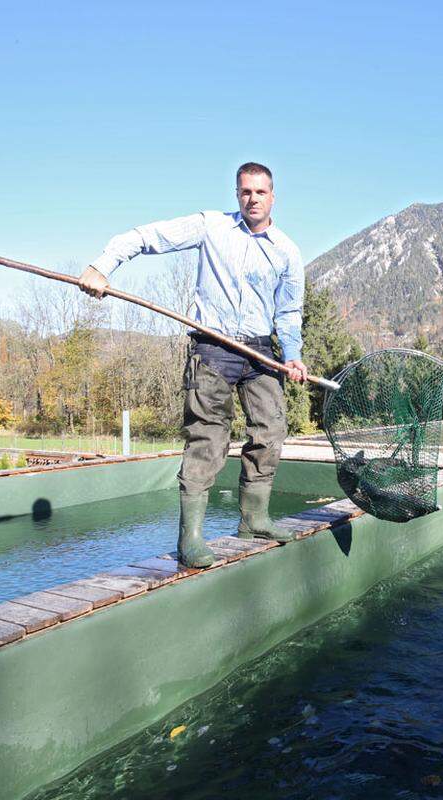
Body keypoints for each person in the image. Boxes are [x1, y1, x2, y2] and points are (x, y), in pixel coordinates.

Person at [78, 162, 308, 567]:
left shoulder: (287, 251)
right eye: (245, 192)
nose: (252, 199)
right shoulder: (211, 227)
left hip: (260, 352)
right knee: (207, 439)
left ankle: (254, 519)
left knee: (270, 432)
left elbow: (289, 312)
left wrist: (291, 354)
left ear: (273, 196)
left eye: (260, 192)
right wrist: (103, 265)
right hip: (213, 346)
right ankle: (191, 540)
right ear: (237, 195)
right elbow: (148, 237)